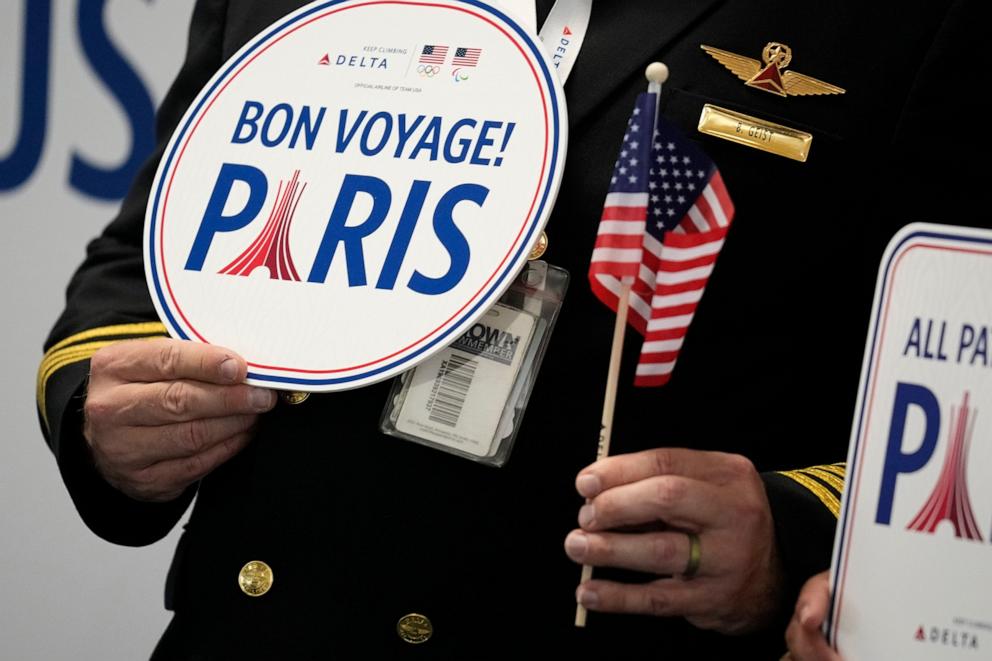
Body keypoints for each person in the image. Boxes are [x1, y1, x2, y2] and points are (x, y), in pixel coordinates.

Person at [37, 0, 980, 657]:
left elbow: (963, 411)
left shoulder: (921, 22)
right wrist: (103, 408)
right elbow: (134, 265)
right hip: (257, 627)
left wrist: (787, 534)